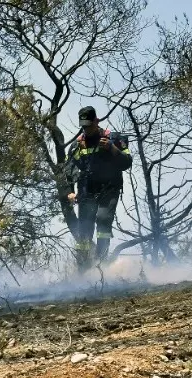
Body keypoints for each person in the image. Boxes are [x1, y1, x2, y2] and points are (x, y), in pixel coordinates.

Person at [64, 106, 132, 273]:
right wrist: (70, 191)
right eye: (83, 126)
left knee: (103, 220)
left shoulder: (114, 139)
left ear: (97, 120)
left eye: (89, 124)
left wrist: (113, 149)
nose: (86, 129)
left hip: (110, 189)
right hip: (87, 191)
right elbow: (69, 169)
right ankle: (83, 269)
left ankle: (102, 266)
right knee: (84, 231)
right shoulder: (76, 145)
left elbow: (127, 163)